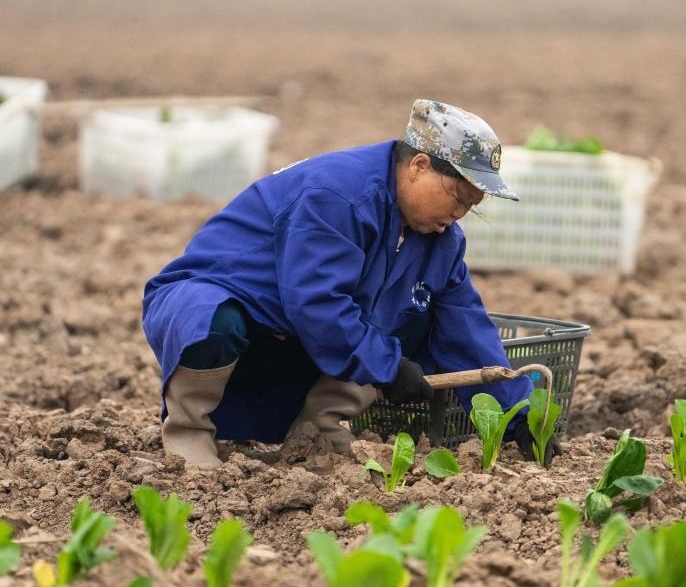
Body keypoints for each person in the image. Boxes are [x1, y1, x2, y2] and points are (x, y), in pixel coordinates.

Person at [142, 99, 556, 469]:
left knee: (417, 313)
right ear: (419, 166)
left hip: (294, 338)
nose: (460, 213)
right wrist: (389, 367)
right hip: (229, 311)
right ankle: (189, 433)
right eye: (458, 197)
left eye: (472, 206)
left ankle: (316, 433)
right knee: (214, 317)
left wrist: (517, 415)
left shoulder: (440, 240)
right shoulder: (339, 196)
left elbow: (465, 324)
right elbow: (316, 303)